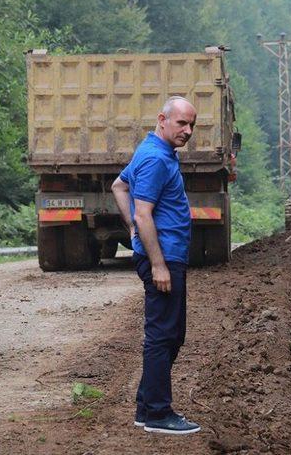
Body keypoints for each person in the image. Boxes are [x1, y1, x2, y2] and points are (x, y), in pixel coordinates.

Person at [111, 96, 200, 435]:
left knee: (171, 334)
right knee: (163, 335)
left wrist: (133, 228)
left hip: (167, 255)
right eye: (181, 123)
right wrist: (158, 263)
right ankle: (159, 415)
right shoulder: (154, 159)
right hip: (163, 259)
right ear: (163, 119)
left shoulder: (155, 152)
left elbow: (119, 186)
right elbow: (143, 211)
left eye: (192, 124)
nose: (188, 130)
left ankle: (146, 406)